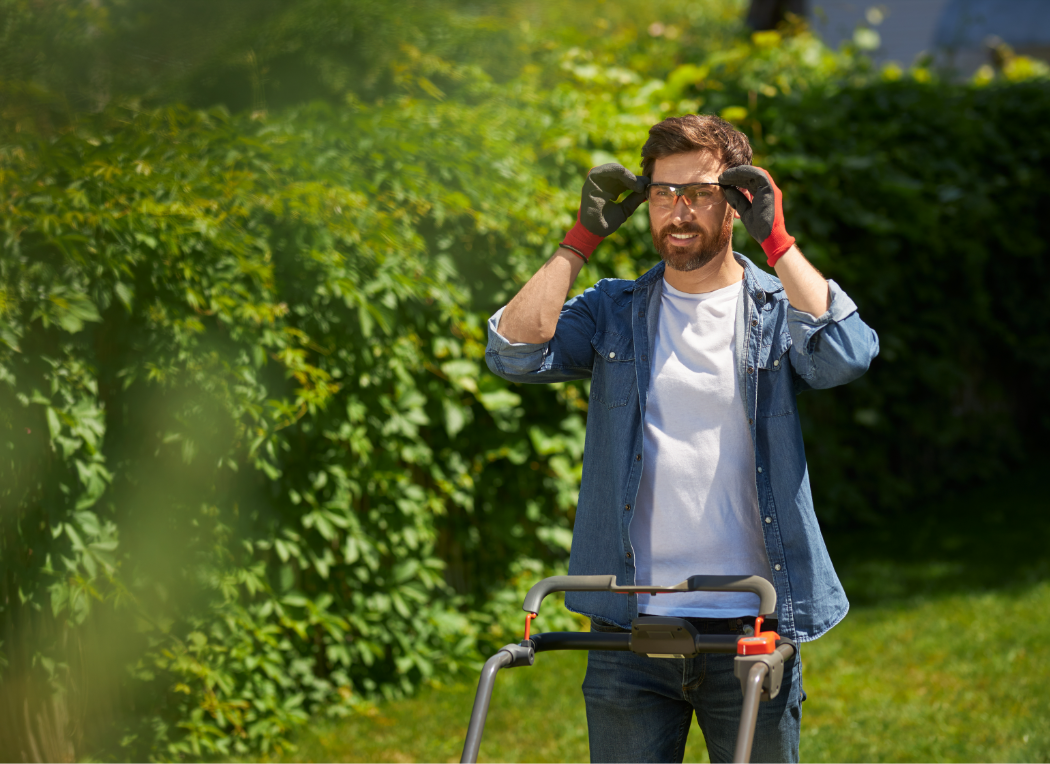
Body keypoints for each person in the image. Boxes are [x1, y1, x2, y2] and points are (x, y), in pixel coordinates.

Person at [484, 114, 878, 763]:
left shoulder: (774, 310)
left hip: (751, 624)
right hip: (629, 632)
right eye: (664, 194)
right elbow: (513, 354)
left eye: (699, 192)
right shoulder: (613, 311)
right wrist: (578, 240)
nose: (679, 211)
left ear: (736, 200)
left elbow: (843, 354)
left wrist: (777, 241)